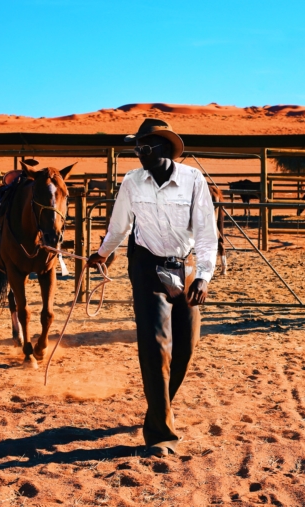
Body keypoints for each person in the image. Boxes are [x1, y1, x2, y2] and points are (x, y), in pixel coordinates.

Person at [87, 118, 218, 457]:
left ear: (164, 148)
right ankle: (161, 433)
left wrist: (204, 275)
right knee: (156, 346)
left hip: (186, 267)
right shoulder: (131, 183)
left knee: (185, 348)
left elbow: (206, 232)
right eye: (137, 148)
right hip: (146, 267)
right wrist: (101, 255)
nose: (139, 153)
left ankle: (158, 410)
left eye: (145, 148)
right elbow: (119, 226)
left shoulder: (193, 181)